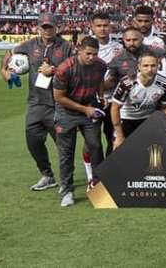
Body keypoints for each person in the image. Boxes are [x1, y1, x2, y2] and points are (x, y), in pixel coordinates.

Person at [0, 12, 74, 191]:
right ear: (38, 27)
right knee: (33, 141)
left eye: (50, 26)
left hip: (59, 102)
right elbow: (9, 53)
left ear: (57, 27)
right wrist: (5, 71)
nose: (47, 30)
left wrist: (55, 70)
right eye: (44, 27)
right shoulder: (29, 44)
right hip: (35, 102)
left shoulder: (67, 47)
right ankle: (47, 175)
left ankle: (67, 179)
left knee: (63, 145)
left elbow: (75, 69)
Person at [52, 37, 107, 207]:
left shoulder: (101, 65)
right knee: (66, 152)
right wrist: (84, 110)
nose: (91, 57)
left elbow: (100, 81)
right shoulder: (64, 68)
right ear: (79, 50)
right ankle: (67, 190)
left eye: (95, 54)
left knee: (96, 146)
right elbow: (59, 97)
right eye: (88, 54)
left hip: (89, 107)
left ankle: (98, 185)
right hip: (67, 111)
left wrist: (101, 95)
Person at [81, 12, 123, 183]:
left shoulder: (119, 47)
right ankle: (92, 177)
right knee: (91, 142)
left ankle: (108, 173)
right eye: (98, 25)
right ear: (92, 26)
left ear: (110, 26)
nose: (102, 29)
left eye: (105, 25)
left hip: (114, 101)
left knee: (113, 138)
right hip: (92, 102)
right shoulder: (85, 46)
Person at [110, 53, 166, 149]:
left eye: (153, 65)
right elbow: (115, 108)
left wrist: (160, 128)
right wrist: (119, 136)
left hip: (147, 120)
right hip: (127, 120)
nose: (149, 70)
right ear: (139, 67)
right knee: (118, 152)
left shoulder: (164, 83)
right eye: (145, 66)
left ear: (158, 66)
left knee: (149, 154)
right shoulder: (127, 83)